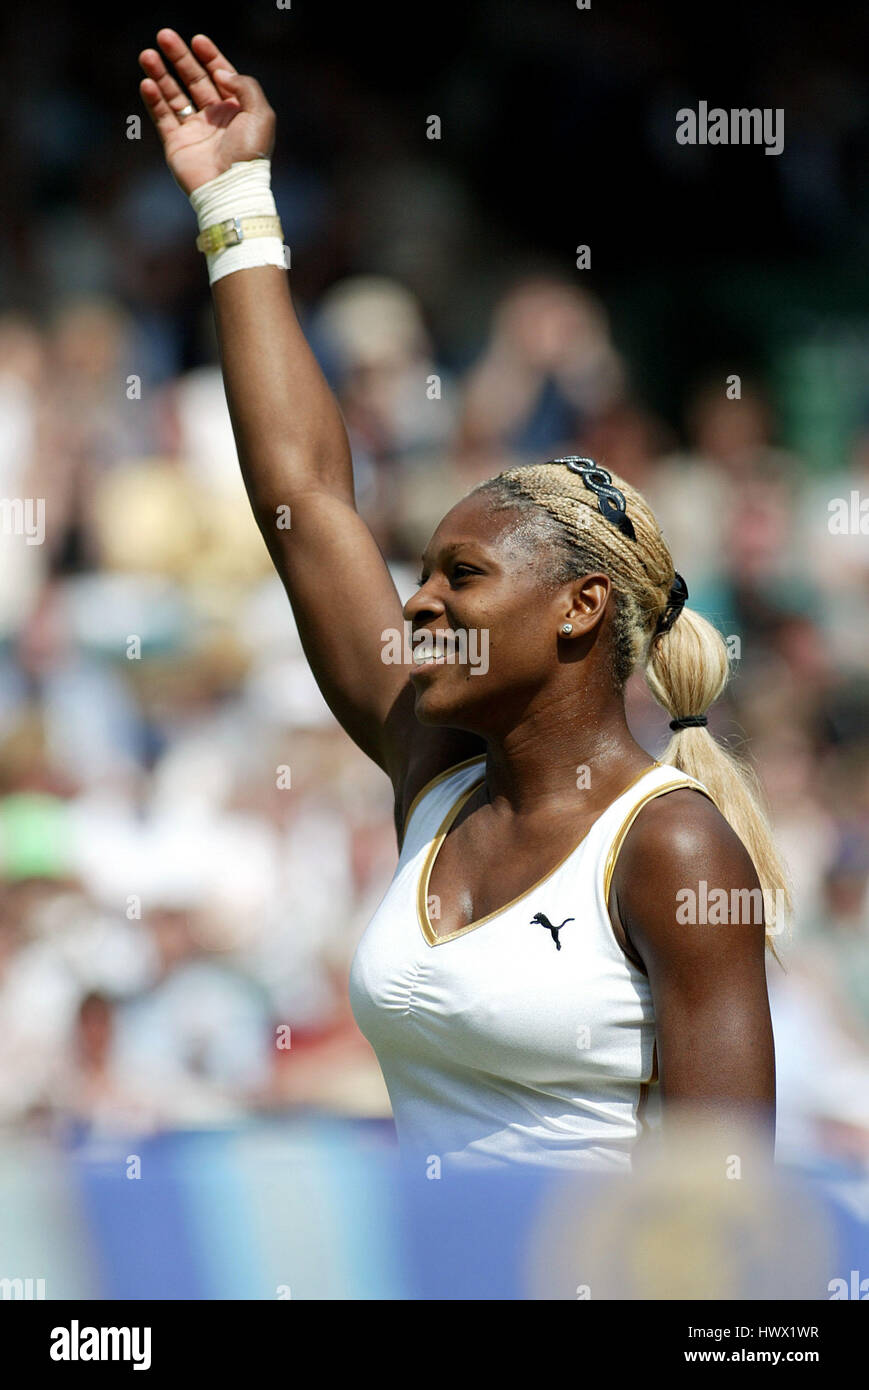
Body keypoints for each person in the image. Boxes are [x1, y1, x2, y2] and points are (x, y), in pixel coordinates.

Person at [138, 29, 787, 1173]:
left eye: (461, 577)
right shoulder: (432, 767)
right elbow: (304, 495)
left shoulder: (673, 848)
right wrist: (234, 195)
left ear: (580, 607)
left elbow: (727, 1210)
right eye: (426, 570)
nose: (420, 602)